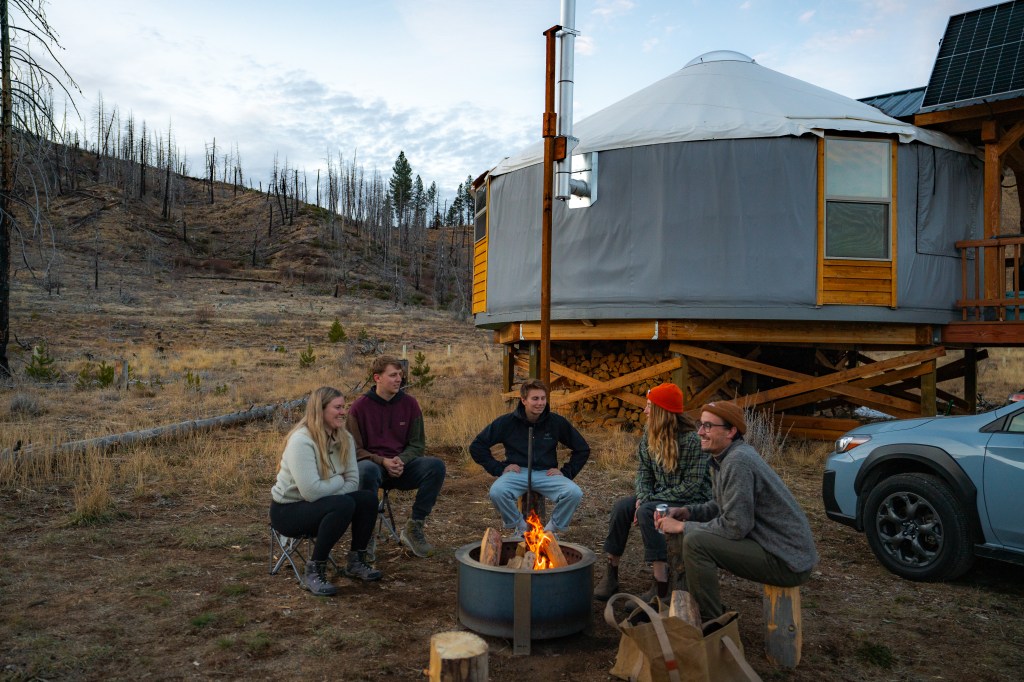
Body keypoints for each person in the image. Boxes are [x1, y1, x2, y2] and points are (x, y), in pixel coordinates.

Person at [657, 401, 817, 621]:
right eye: (699, 425)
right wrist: (688, 512)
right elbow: (721, 505)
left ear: (731, 431)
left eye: (708, 426)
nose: (700, 432)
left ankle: (711, 622)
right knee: (692, 535)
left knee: (695, 542)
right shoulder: (725, 457)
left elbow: (735, 526)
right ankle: (685, 601)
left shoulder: (738, 461)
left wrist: (684, 526)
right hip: (775, 548)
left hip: (786, 560)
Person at [593, 383, 712, 602]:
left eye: (650, 406)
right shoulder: (650, 434)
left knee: (650, 511)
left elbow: (693, 485)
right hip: (657, 496)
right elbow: (643, 472)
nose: (645, 411)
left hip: (691, 501)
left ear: (662, 411)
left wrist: (649, 502)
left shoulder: (693, 441)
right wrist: (643, 497)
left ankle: (661, 586)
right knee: (622, 507)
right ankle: (611, 573)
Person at [270, 386, 382, 596]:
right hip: (288, 511)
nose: (343, 412)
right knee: (344, 503)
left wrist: (332, 487)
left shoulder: (345, 438)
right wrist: (338, 481)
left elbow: (353, 481)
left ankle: (356, 561)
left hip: (324, 504)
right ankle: (314, 570)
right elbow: (311, 492)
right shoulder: (301, 441)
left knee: (366, 498)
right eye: (337, 407)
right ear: (320, 411)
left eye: (344, 407)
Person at [347, 355, 446, 558]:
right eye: (393, 375)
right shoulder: (359, 408)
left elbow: (417, 445)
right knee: (366, 470)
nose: (399, 379)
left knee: (436, 466)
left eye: (400, 375)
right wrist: (382, 461)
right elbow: (354, 450)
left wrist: (402, 459)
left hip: (401, 466)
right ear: (377, 378)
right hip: (372, 466)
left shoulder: (410, 404)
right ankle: (365, 537)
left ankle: (414, 528)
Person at [469, 378, 590, 538]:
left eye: (543, 398)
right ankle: (521, 527)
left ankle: (550, 531)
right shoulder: (507, 422)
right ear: (523, 400)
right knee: (497, 491)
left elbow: (582, 448)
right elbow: (477, 446)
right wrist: (499, 468)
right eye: (535, 399)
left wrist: (566, 473)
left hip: (546, 473)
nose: (540, 403)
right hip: (517, 473)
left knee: (574, 493)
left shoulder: (555, 422)